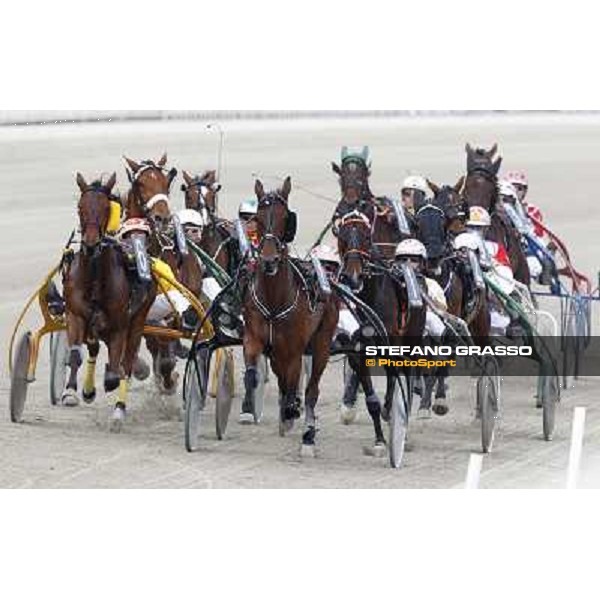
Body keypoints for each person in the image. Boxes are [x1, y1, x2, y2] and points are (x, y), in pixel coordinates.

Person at [394, 238, 447, 338]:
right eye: (403, 259)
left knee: (431, 319)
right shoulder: (390, 282)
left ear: (422, 264)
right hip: (396, 323)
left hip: (421, 328)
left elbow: (442, 309)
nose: (408, 263)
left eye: (414, 260)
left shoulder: (431, 284)